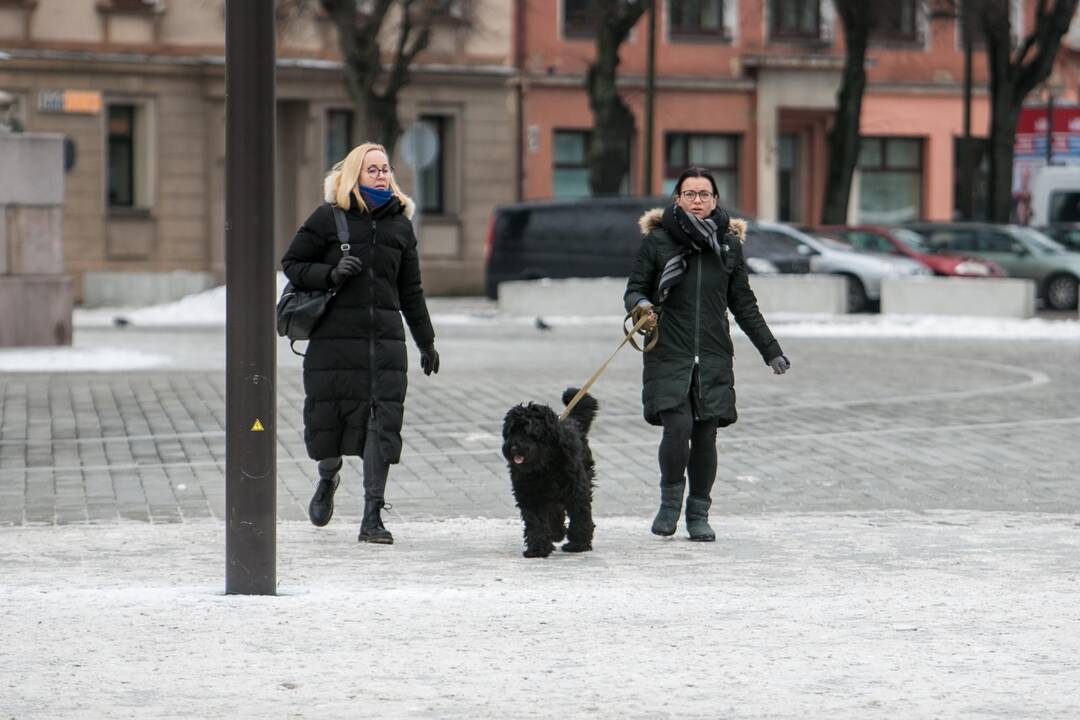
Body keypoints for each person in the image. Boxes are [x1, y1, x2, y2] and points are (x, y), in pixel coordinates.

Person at [281, 142, 439, 544]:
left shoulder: (400, 226)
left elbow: (412, 291)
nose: (382, 175)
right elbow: (293, 265)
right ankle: (327, 477)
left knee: (380, 426)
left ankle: (372, 517)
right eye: (373, 169)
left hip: (384, 344)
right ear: (355, 174)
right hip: (334, 344)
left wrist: (426, 342)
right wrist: (331, 273)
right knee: (329, 422)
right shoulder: (328, 218)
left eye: (385, 169)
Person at [624, 167, 790, 542]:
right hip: (668, 352)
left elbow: (743, 304)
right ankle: (669, 504)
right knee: (677, 427)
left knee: (705, 434)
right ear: (677, 199)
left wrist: (771, 350)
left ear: (715, 200)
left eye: (704, 194)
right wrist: (643, 304)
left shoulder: (728, 246)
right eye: (689, 194)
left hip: (713, 354)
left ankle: (698, 512)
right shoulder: (658, 242)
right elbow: (633, 289)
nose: (697, 201)